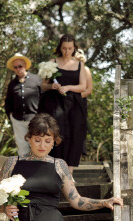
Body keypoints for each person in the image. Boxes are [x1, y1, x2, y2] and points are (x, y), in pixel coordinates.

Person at [38, 34, 87, 174]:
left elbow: (83, 86)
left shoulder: (79, 64)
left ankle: (69, 172)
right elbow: (43, 86)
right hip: (54, 104)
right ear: (60, 48)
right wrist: (51, 86)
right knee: (55, 131)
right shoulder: (52, 62)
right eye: (64, 48)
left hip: (73, 105)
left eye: (70, 48)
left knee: (74, 133)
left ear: (74, 48)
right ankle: (53, 168)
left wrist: (68, 87)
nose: (67, 51)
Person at [4, 53, 43, 156]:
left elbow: (44, 98)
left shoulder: (36, 80)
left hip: (35, 119)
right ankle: (24, 166)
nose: (18, 69)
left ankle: (38, 166)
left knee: (37, 146)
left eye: (20, 66)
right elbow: (8, 102)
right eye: (15, 67)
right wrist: (10, 116)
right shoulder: (12, 84)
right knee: (22, 147)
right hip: (18, 120)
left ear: (25, 65)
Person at [74, 49, 93, 156]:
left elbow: (89, 90)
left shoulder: (86, 70)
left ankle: (79, 153)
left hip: (80, 103)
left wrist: (74, 98)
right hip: (65, 103)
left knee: (79, 128)